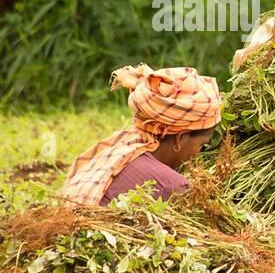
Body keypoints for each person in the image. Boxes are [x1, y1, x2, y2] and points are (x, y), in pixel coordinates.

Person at [61, 64, 222, 206]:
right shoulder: (173, 186)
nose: (198, 154)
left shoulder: (117, 147)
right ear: (181, 138)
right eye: (201, 144)